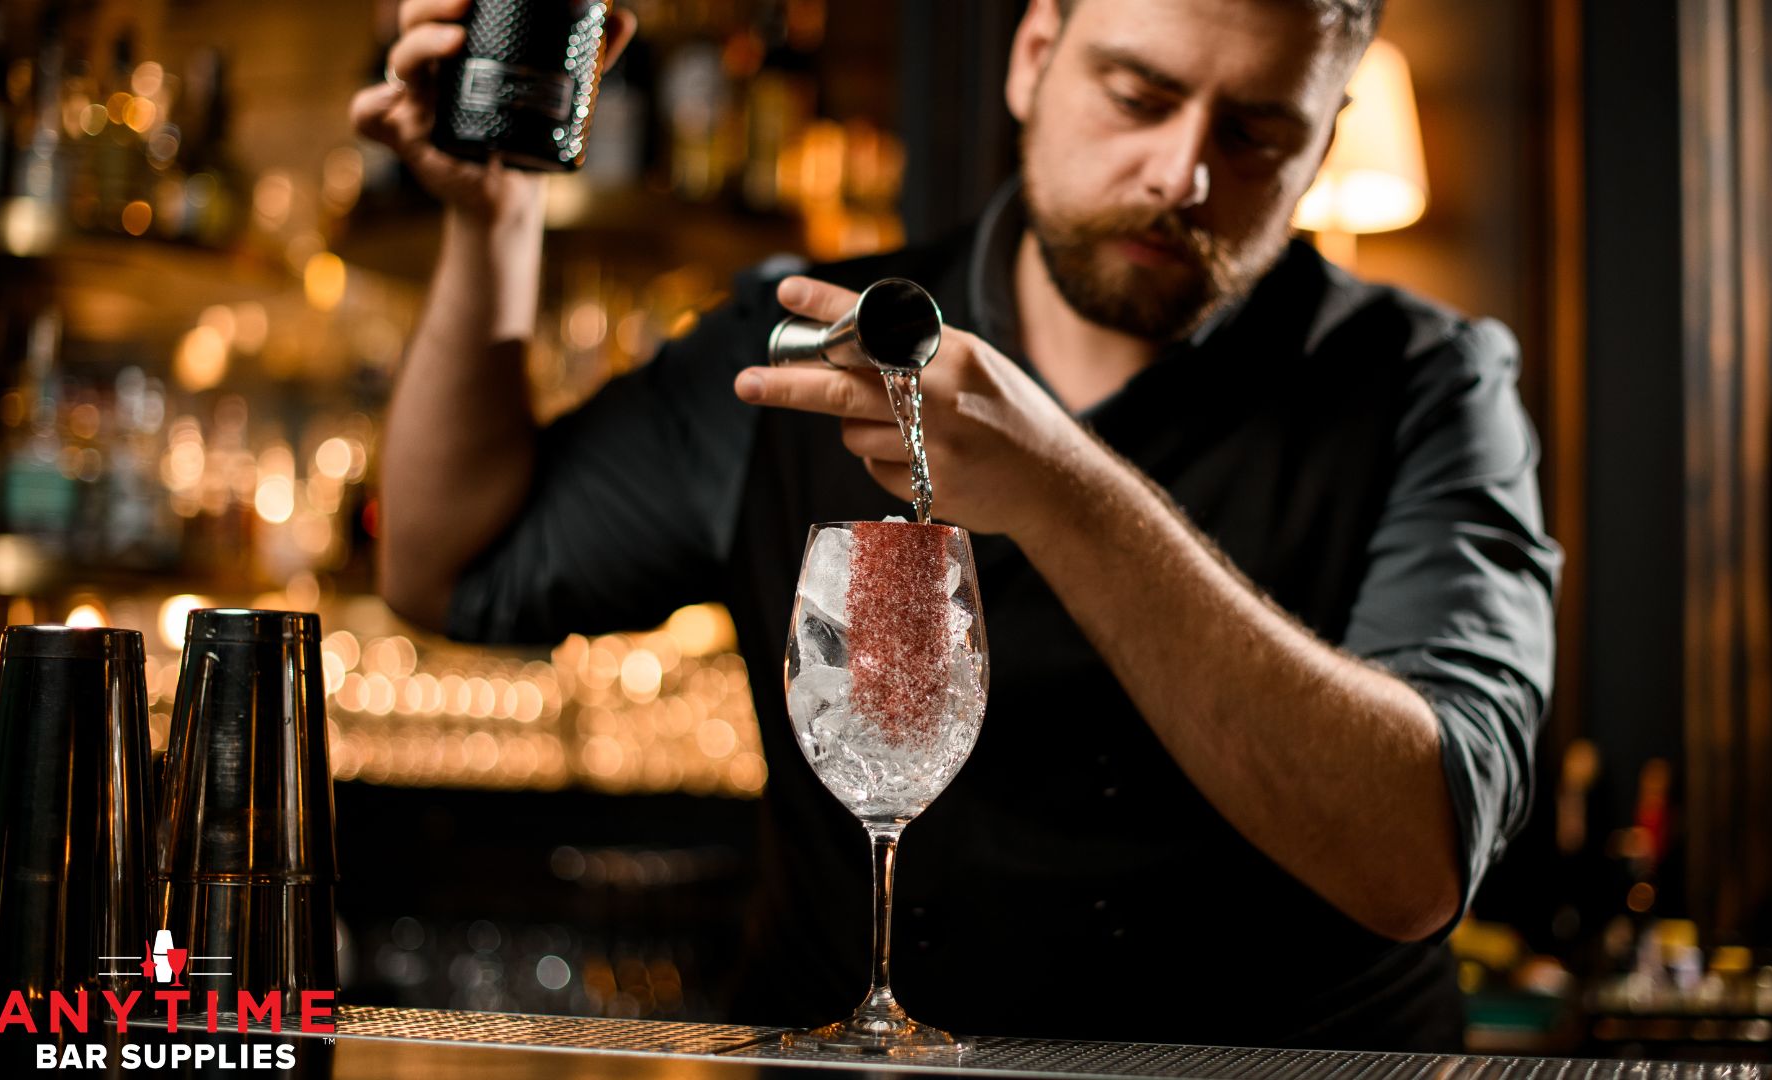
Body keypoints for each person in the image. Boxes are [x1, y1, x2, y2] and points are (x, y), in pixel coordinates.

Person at [351, 0, 1558, 1051]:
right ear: (1034, 55)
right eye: (1138, 94)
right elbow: (451, 569)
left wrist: (1062, 490)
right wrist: (494, 221)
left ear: (1323, 145)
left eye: (1258, 133)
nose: (1182, 174)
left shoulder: (1429, 387)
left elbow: (1416, 858)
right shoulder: (813, 340)